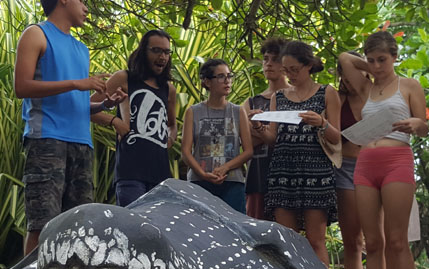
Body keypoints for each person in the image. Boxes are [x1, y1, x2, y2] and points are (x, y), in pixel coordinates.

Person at [13, 0, 125, 255]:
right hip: (46, 140)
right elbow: (22, 86)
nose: (87, 7)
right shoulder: (36, 34)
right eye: (83, 1)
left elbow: (77, 105)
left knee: (77, 227)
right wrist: (76, 83)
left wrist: (105, 105)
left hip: (81, 144)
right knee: (42, 224)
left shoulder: (80, 49)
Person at [338, 31, 428, 269]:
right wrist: (368, 66)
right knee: (372, 241)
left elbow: (424, 127)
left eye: (383, 60)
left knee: (397, 239)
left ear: (395, 57)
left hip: (397, 159)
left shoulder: (409, 85)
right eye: (372, 60)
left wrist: (417, 122)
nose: (377, 66)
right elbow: (344, 59)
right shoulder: (366, 87)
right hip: (366, 162)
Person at [259, 41, 341, 266]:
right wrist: (260, 128)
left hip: (316, 173)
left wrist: (322, 122)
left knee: (316, 241)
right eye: (286, 70)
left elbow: (337, 137)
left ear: (309, 66)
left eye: (294, 69)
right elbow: (274, 139)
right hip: (283, 171)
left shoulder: (327, 92)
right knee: (288, 241)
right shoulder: (279, 97)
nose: (290, 75)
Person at [90, 30, 177, 207]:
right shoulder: (124, 78)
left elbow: (172, 124)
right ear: (143, 51)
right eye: (156, 50)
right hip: (131, 172)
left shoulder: (169, 89)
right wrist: (114, 121)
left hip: (161, 175)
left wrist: (170, 138)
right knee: (135, 229)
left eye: (167, 52)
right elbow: (86, 108)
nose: (162, 56)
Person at [182, 59, 252, 213]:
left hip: (233, 181)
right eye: (221, 76)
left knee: (235, 230)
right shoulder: (193, 112)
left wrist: (226, 168)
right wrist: (202, 174)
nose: (227, 81)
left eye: (229, 76)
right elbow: (186, 152)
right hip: (199, 182)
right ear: (207, 82)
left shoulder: (238, 111)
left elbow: (248, 151)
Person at [242, 38, 289, 220]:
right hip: (257, 175)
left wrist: (258, 127)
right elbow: (245, 139)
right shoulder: (252, 102)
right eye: (266, 59)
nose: (269, 64)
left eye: (275, 59)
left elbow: (288, 137)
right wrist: (274, 130)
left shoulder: (296, 97)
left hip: (288, 175)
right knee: (256, 233)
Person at [335, 51, 367, 269]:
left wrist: (373, 67)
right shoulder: (336, 98)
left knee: (379, 241)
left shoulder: (377, 94)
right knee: (353, 241)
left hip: (375, 165)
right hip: (345, 167)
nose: (348, 81)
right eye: (344, 76)